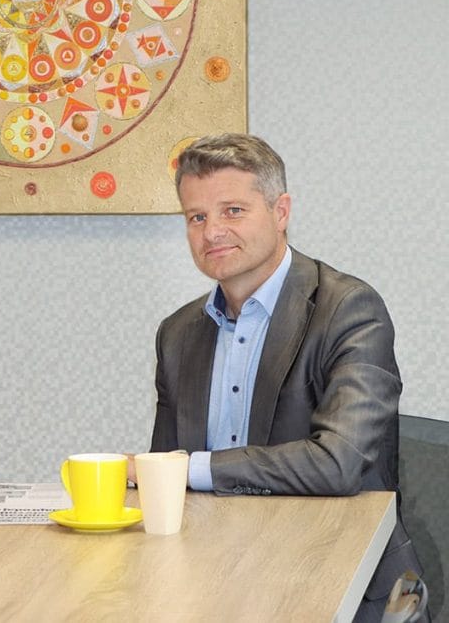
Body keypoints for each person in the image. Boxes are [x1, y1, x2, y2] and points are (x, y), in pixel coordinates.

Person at [149, 133, 423, 622]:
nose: (212, 232)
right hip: (214, 580)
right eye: (196, 217)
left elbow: (337, 464)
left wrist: (193, 468)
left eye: (233, 210)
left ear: (281, 212)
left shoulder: (349, 310)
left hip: (339, 580)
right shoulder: (177, 334)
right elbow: (165, 479)